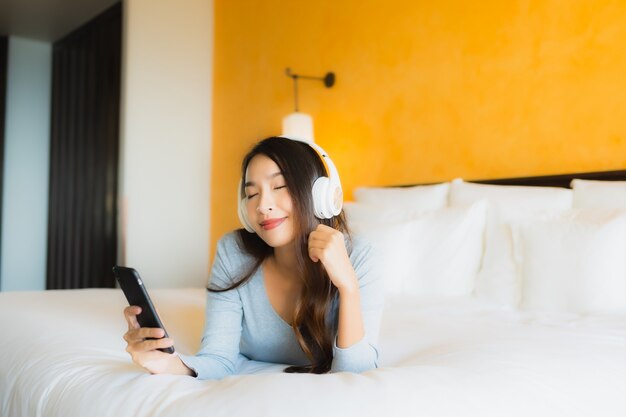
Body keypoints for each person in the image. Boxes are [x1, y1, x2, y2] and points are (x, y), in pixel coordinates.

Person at [122, 136, 384, 379]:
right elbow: (218, 359)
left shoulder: (360, 257)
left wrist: (348, 286)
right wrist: (168, 365)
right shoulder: (233, 252)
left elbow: (356, 375)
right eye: (252, 194)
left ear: (320, 195)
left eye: (279, 186)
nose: (262, 206)